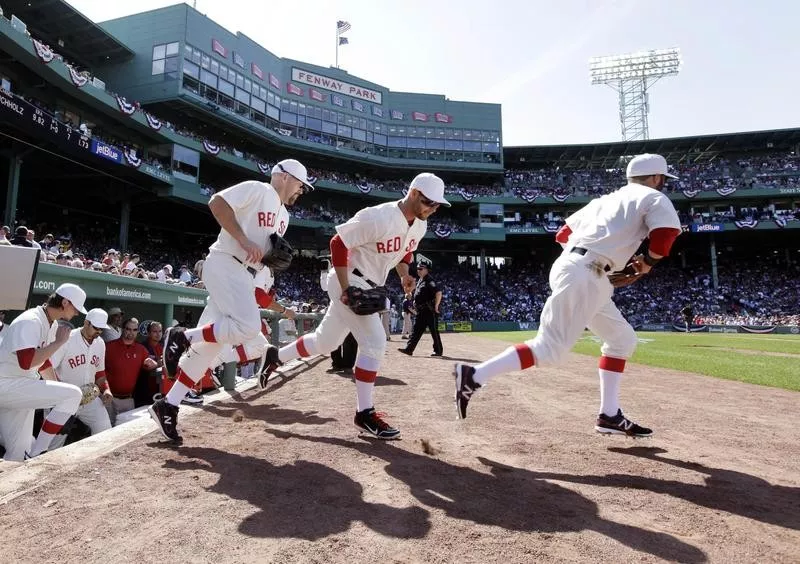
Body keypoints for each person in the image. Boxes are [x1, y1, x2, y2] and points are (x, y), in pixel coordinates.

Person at [454, 154, 682, 437]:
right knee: (549, 349)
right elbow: (665, 236)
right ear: (657, 178)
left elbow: (562, 235)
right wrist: (645, 263)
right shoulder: (653, 197)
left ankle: (609, 415)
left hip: (580, 268)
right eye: (663, 180)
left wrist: (595, 261)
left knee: (622, 339)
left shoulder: (604, 200)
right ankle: (475, 375)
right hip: (588, 272)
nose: (663, 185)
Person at [262, 172, 449, 439]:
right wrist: (345, 287)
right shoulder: (378, 216)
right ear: (415, 193)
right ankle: (364, 413)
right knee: (375, 340)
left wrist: (404, 274)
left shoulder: (419, 225)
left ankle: (275, 357)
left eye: (438, 206)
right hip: (347, 277)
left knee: (325, 342)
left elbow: (405, 252)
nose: (434, 209)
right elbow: (338, 243)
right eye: (430, 203)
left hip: (370, 283)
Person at [152, 159, 313, 443]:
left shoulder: (284, 217)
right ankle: (181, 335)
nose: (301, 191)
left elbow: (262, 251)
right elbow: (217, 203)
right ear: (285, 177)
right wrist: (242, 238)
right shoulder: (258, 189)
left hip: (244, 273)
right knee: (250, 327)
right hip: (225, 262)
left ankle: (168, 404)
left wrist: (268, 260)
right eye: (300, 185)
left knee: (208, 349)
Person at [0, 284, 86, 461]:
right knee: (73, 394)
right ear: (65, 302)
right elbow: (27, 362)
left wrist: (57, 394)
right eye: (76, 308)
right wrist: (59, 343)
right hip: (7, 384)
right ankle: (38, 452)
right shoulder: (30, 320)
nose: (77, 313)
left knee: (16, 455)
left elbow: (42, 362)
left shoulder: (51, 323)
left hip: (19, 388)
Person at [46, 308, 113, 450]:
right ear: (86, 323)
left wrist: (106, 390)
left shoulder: (100, 343)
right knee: (53, 444)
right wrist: (58, 398)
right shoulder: (67, 339)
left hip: (88, 397)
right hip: (64, 398)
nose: (99, 332)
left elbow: (100, 373)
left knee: (105, 429)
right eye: (96, 328)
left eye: (102, 329)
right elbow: (49, 368)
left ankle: (98, 463)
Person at [104, 318, 158, 424]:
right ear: (123, 329)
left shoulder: (141, 349)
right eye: (128, 329)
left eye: (134, 330)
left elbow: (149, 364)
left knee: (126, 431)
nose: (131, 332)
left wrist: (154, 364)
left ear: (138, 331)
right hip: (109, 399)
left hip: (129, 399)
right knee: (106, 431)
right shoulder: (109, 347)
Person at [398, 258, 443, 357]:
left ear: (426, 270)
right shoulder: (420, 280)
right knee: (416, 331)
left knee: (434, 331)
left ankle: (438, 351)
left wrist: (436, 306)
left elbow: (438, 293)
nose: (418, 270)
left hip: (429, 310)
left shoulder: (429, 280)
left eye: (421, 268)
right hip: (421, 311)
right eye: (418, 268)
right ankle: (409, 349)